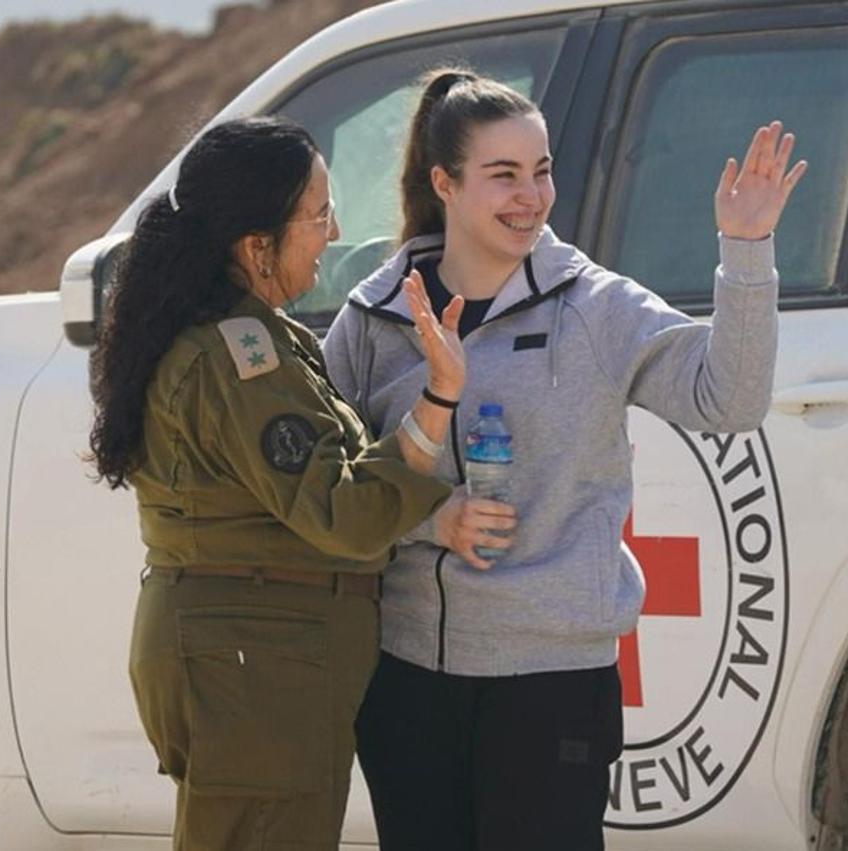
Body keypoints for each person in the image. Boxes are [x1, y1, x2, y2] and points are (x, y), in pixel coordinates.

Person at [322, 70, 807, 850]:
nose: (532, 196)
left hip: (550, 686)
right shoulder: (376, 316)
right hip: (406, 679)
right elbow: (328, 484)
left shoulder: (595, 306)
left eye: (542, 171)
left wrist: (745, 251)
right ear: (443, 182)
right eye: (504, 175)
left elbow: (730, 399)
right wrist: (428, 518)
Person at [87, 116, 466, 851]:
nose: (335, 230)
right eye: (319, 214)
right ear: (255, 244)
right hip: (255, 675)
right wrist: (436, 404)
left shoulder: (247, 335)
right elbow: (346, 514)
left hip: (254, 669)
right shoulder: (241, 356)